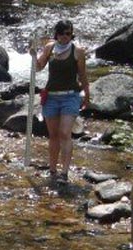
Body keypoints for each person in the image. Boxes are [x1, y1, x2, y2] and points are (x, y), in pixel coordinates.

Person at [32, 20, 90, 185]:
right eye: (62, 33)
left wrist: (87, 94)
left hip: (70, 97)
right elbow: (39, 67)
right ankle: (52, 170)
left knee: (65, 133)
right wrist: (33, 57)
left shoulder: (77, 51)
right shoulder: (50, 47)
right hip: (51, 97)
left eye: (69, 33)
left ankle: (64, 173)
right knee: (54, 135)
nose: (65, 36)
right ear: (56, 34)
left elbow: (83, 75)